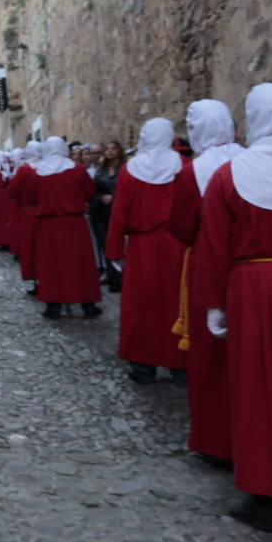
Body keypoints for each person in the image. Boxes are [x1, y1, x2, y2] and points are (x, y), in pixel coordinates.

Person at [196, 83, 272, 534]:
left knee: (258, 386)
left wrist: (213, 304)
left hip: (253, 285)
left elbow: (213, 247)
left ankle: (268, 492)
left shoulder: (229, 175)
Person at [168, 100, 243, 463]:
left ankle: (216, 442)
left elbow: (181, 226)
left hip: (208, 266)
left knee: (211, 358)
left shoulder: (192, 173)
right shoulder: (251, 159)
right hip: (256, 271)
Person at [106, 118, 188, 384]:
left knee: (142, 305)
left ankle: (143, 365)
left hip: (143, 248)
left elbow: (119, 214)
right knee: (178, 303)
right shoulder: (183, 167)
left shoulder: (131, 171)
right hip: (178, 245)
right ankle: (180, 366)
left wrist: (114, 250)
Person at [30, 137, 104, 319]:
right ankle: (87, 304)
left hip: (48, 224)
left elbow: (32, 197)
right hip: (73, 223)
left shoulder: (38, 172)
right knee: (80, 264)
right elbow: (89, 192)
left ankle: (53, 305)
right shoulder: (76, 169)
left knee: (51, 265)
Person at [8, 141, 43, 292]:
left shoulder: (24, 170)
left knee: (34, 249)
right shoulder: (47, 166)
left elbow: (13, 192)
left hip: (30, 214)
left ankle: (38, 282)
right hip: (48, 211)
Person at [93, 141, 125, 291]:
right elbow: (94, 189)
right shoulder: (101, 170)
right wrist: (101, 197)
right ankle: (113, 279)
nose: (110, 151)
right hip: (103, 212)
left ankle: (123, 275)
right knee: (107, 244)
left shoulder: (125, 168)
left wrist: (116, 197)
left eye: (114, 148)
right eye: (108, 149)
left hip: (120, 210)